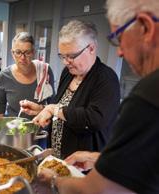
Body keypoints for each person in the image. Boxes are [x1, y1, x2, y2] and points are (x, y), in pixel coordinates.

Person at [38, 0, 159, 193]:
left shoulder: (145, 95)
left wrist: (55, 180)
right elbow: (140, 163)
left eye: (119, 39)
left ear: (146, 27)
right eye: (63, 56)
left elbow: (99, 189)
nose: (119, 52)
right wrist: (97, 158)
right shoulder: (67, 73)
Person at [21, 20, 120, 159]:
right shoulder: (68, 73)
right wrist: (42, 109)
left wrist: (53, 109)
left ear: (91, 48)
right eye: (62, 56)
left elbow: (94, 119)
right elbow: (63, 106)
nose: (65, 62)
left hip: (83, 166)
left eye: (71, 56)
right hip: (58, 157)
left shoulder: (106, 78)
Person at [0, 32, 55, 119]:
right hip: (14, 127)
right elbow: (1, 104)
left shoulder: (44, 71)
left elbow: (52, 102)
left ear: (33, 53)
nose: (22, 57)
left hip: (39, 126)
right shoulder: (5, 75)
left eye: (27, 52)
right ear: (12, 53)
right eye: (18, 52)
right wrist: (1, 127)